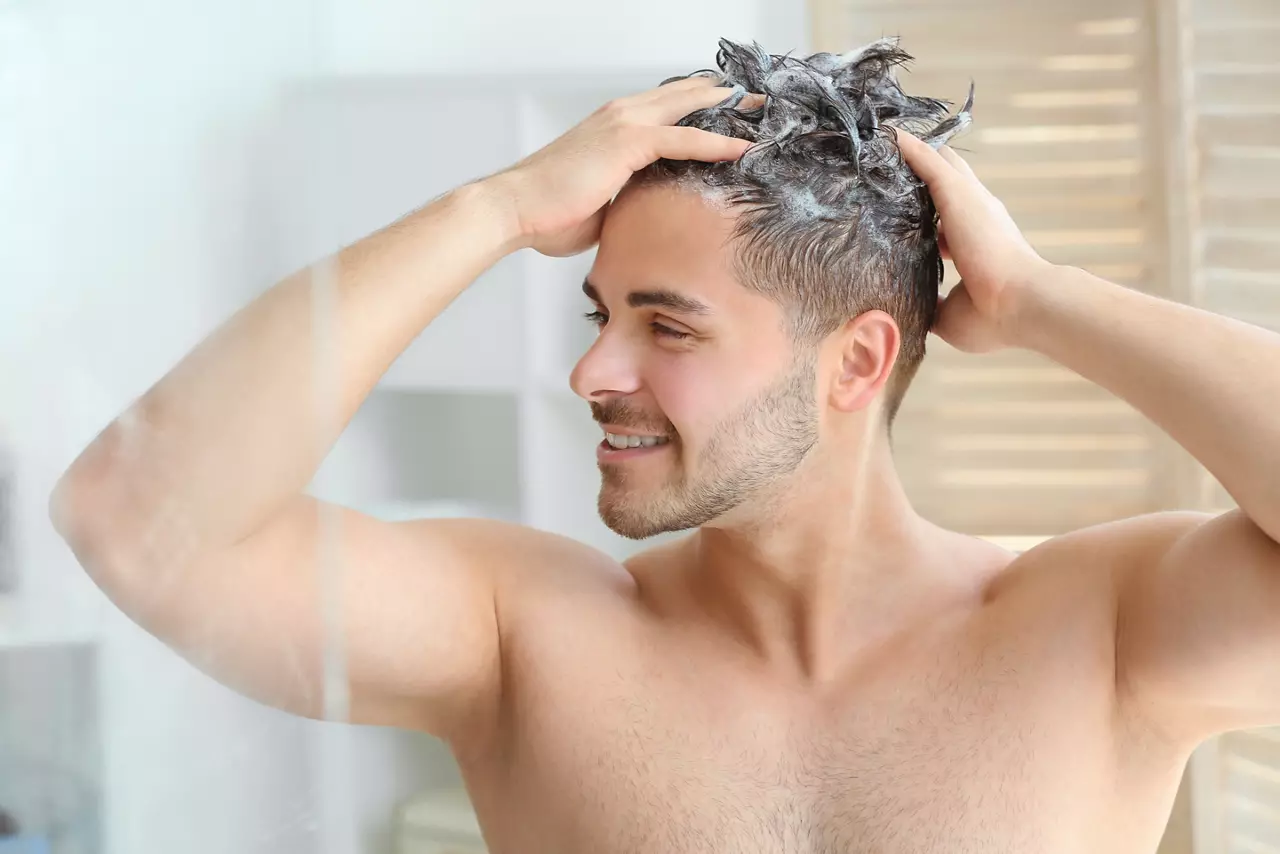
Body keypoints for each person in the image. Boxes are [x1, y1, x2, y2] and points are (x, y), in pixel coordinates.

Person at [49, 38, 1280, 854]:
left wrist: (1038, 295)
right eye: (601, 313)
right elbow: (132, 518)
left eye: (666, 324)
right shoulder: (524, 639)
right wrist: (496, 207)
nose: (592, 370)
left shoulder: (1095, 630)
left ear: (855, 361)